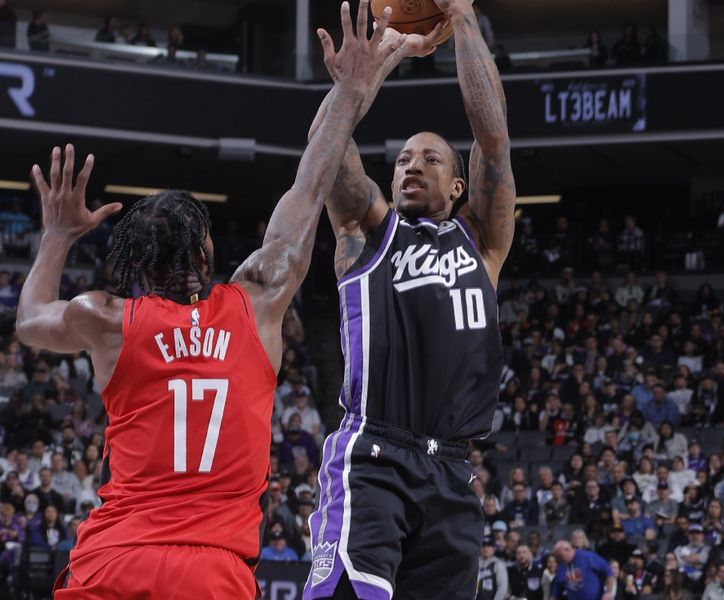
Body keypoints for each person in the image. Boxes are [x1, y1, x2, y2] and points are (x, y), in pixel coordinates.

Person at [18, 5, 404, 596]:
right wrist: (353, 89)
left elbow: (27, 321)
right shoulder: (261, 298)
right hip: (213, 570)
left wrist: (57, 236)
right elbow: (311, 182)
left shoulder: (103, 319)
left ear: (139, 265)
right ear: (205, 254)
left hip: (113, 561)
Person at [304, 0, 516, 596]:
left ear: (458, 184)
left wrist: (462, 16)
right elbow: (325, 150)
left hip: (452, 471)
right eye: (401, 159)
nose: (410, 166)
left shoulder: (482, 244)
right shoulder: (366, 230)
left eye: (429, 158)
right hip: (374, 459)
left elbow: (493, 139)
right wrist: (379, 60)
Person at [551, 540, 615, 600]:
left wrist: (609, 592)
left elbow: (608, 572)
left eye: (559, 555)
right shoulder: (561, 567)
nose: (558, 559)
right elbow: (556, 591)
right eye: (556, 556)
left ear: (567, 550)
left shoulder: (588, 557)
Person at [478, 536, 509, 600]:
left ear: (494, 548)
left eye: (489, 546)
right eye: (483, 546)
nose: (486, 549)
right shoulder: (475, 563)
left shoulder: (498, 564)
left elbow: (502, 588)